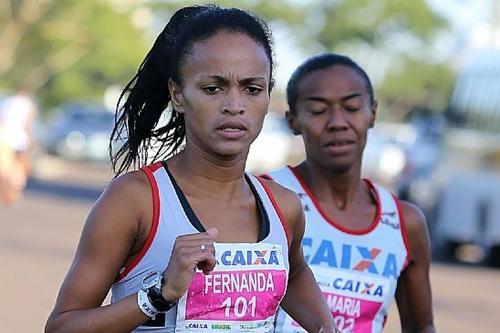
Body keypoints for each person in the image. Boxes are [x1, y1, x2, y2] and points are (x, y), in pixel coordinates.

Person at [45, 5, 338, 333]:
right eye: (213, 88)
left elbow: (295, 274)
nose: (234, 105)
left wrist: (326, 327)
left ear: (268, 97)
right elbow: (61, 327)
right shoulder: (137, 200)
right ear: (178, 95)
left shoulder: (283, 207)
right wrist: (159, 294)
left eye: (252, 88)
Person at [265, 54, 435, 333]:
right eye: (318, 110)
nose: (337, 122)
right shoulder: (263, 197)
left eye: (352, 107)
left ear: (373, 114)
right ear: (293, 120)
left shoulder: (405, 223)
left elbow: (422, 327)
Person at [0, 90, 37, 205]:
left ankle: (9, 190)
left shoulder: (7, 100)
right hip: (19, 139)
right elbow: (28, 123)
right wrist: (31, 139)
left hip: (5, 137)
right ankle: (11, 189)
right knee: (15, 169)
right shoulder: (28, 103)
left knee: (8, 167)